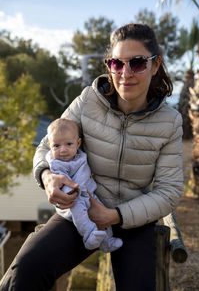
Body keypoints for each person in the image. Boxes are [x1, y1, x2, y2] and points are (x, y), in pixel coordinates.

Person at [1, 23, 183, 291]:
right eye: (117, 64)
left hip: (133, 218)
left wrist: (115, 215)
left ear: (155, 66)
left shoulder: (170, 121)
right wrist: (47, 175)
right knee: (25, 270)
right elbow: (45, 145)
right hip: (80, 210)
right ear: (109, 66)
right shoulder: (88, 100)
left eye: (137, 63)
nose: (125, 74)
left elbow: (170, 191)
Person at [46, 117, 122, 252]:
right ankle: (88, 236)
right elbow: (63, 182)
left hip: (90, 194)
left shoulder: (80, 156)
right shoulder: (56, 163)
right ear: (49, 145)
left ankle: (107, 241)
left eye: (69, 144)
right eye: (56, 146)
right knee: (80, 214)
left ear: (78, 143)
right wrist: (74, 192)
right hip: (72, 200)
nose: (63, 150)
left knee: (102, 212)